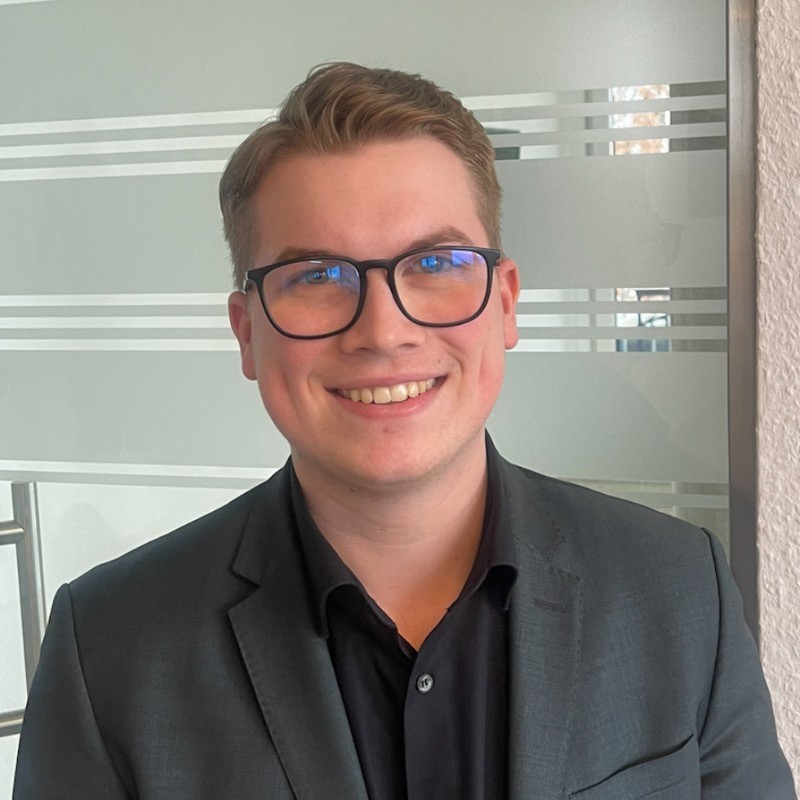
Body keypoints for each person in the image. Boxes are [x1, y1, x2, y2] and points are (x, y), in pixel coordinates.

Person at [13, 62, 795, 800]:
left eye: (436, 263)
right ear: (248, 333)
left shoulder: (678, 590)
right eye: (318, 276)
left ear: (506, 303)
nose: (384, 332)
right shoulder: (108, 650)